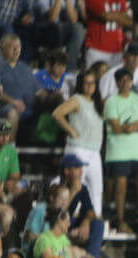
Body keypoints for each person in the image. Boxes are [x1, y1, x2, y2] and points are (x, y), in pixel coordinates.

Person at [103, 67, 138, 234]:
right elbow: (116, 127)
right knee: (120, 188)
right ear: (117, 82)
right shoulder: (111, 102)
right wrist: (135, 125)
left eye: (129, 80)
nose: (126, 83)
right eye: (123, 80)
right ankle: (120, 221)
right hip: (118, 152)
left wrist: (136, 125)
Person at [53, 70, 105, 215]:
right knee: (75, 187)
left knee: (96, 189)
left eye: (92, 83)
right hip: (78, 149)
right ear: (81, 84)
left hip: (95, 151)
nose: (89, 86)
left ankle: (96, 219)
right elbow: (57, 114)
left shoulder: (97, 103)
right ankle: (69, 219)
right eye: (86, 83)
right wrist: (71, 130)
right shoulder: (76, 99)